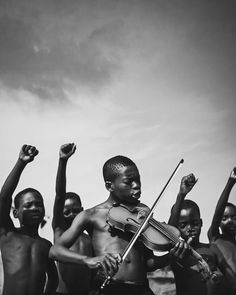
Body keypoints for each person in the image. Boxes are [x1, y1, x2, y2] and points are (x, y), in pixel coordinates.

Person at [50, 155, 187, 295]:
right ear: (110, 186)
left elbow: (148, 263)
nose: (136, 185)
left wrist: (171, 256)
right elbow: (55, 251)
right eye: (128, 181)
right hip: (109, 287)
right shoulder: (91, 215)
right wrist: (88, 260)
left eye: (138, 179)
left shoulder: (142, 213)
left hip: (142, 289)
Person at [0, 145, 58, 295]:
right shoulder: (7, 234)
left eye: (39, 204)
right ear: (15, 213)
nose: (34, 208)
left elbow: (53, 278)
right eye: (28, 205)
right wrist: (21, 163)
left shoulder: (46, 245)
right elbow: (4, 198)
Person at [168, 173, 232, 295]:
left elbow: (227, 279)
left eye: (194, 223)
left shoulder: (212, 249)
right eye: (183, 225)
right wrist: (181, 195)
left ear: (201, 222)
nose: (190, 228)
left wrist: (218, 278)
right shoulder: (178, 252)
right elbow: (168, 231)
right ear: (177, 228)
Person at [52, 143, 93, 295]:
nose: (72, 215)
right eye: (67, 212)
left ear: (82, 211)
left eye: (76, 211)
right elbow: (59, 195)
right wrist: (63, 162)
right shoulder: (60, 232)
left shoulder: (89, 239)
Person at [208, 168, 236, 294]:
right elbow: (218, 212)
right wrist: (230, 183)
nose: (230, 221)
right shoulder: (215, 238)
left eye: (234, 217)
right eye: (225, 218)